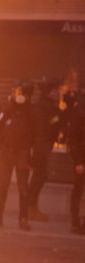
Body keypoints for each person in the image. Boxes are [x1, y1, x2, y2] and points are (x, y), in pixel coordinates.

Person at [0, 80, 35, 231]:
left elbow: (38, 135)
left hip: (23, 154)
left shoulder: (32, 112)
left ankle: (23, 219)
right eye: (16, 92)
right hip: (7, 152)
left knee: (23, 188)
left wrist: (31, 157)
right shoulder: (8, 109)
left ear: (27, 95)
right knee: (3, 186)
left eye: (20, 92)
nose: (17, 95)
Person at [25, 76, 64, 222]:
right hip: (43, 145)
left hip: (37, 144)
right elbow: (54, 123)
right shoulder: (50, 107)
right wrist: (60, 117)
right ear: (49, 91)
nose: (58, 93)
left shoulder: (38, 105)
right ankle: (31, 209)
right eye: (55, 90)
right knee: (39, 177)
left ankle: (31, 207)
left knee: (38, 176)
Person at [66, 90, 84, 235]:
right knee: (78, 191)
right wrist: (78, 162)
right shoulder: (79, 115)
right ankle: (75, 223)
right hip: (82, 160)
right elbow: (73, 140)